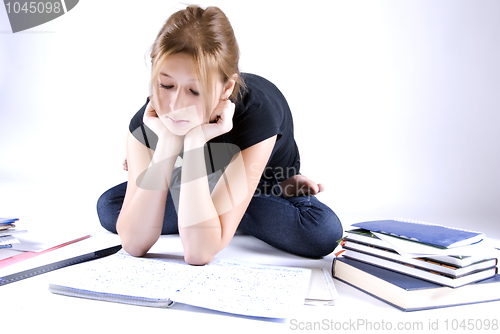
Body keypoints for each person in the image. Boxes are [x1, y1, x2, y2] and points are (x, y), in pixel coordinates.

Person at [97, 5, 342, 265]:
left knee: (321, 231)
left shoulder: (258, 113)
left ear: (226, 88)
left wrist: (191, 144)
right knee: (109, 206)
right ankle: (211, 213)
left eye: (195, 91)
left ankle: (237, 208)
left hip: (258, 183)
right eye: (165, 84)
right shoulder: (148, 121)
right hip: (197, 181)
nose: (175, 104)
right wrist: (166, 146)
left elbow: (199, 253)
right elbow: (133, 244)